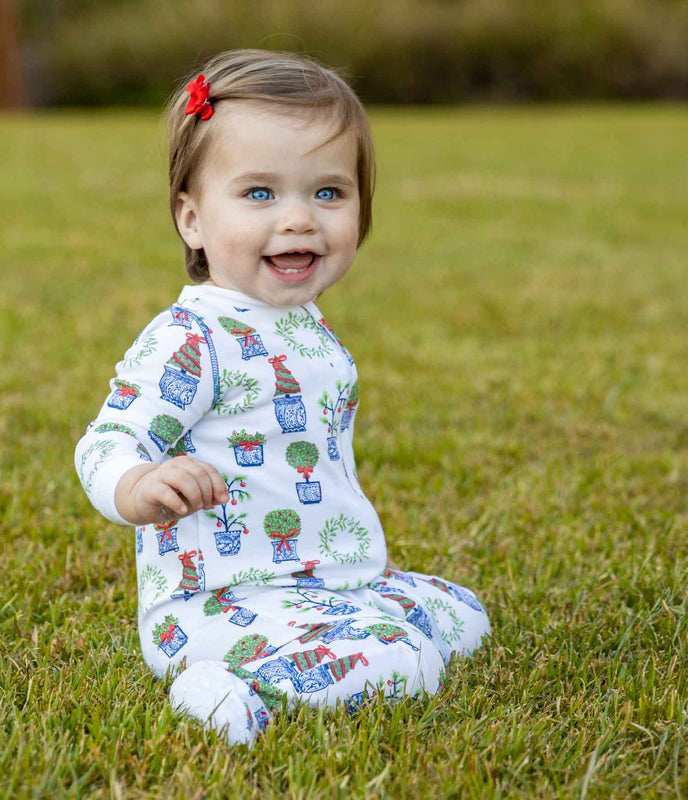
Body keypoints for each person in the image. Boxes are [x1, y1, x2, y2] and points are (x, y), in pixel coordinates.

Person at [75, 49, 490, 745]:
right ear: (192, 220)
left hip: (324, 584)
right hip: (217, 605)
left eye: (328, 194)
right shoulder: (191, 337)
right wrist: (140, 482)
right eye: (260, 194)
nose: (299, 219)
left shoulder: (301, 323)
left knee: (462, 614)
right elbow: (104, 443)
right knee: (405, 656)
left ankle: (354, 628)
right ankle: (225, 688)